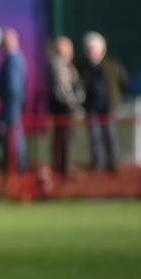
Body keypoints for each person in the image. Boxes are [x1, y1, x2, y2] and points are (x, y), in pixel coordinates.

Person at [79, 32, 127, 173]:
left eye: (92, 49)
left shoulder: (113, 66)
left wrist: (116, 98)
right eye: (88, 49)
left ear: (101, 50)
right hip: (91, 107)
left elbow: (123, 82)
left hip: (107, 107)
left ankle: (112, 164)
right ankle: (97, 164)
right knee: (94, 137)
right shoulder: (82, 66)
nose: (90, 53)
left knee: (110, 136)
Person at [45, 35, 83, 178]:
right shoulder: (58, 64)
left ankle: (63, 167)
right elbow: (63, 89)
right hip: (63, 108)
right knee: (63, 139)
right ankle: (63, 169)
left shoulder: (65, 64)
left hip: (64, 107)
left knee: (64, 139)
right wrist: (74, 102)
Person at [0, 29, 28, 172]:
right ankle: (13, 164)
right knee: (7, 131)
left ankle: (17, 168)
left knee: (13, 134)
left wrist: (10, 104)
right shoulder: (13, 57)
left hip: (11, 104)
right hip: (11, 103)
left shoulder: (13, 59)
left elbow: (13, 87)